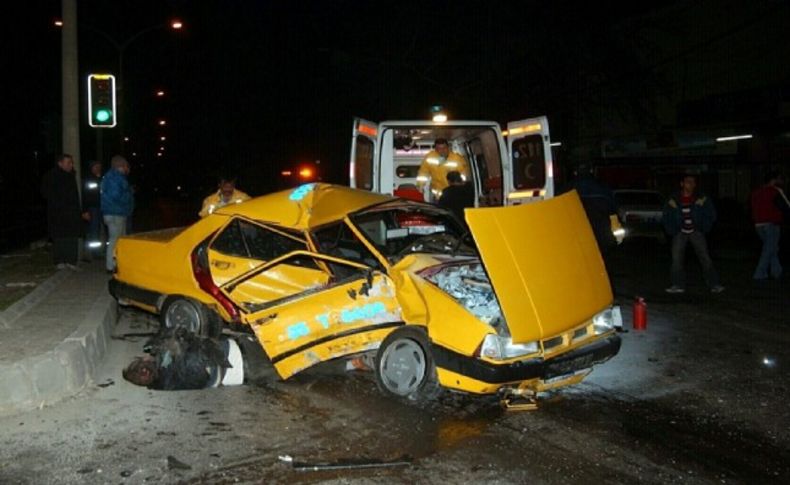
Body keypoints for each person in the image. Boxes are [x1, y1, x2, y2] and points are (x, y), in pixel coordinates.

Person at [564, 163, 624, 292]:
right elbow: (613, 213)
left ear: (575, 172)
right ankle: (605, 292)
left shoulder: (567, 189)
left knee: (580, 268)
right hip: (601, 235)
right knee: (603, 267)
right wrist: (617, 236)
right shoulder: (603, 188)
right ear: (592, 171)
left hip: (577, 237)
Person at [663, 174, 724, 294]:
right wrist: (672, 229)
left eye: (692, 182)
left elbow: (711, 214)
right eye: (687, 182)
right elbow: (666, 215)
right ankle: (677, 284)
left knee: (705, 258)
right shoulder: (674, 199)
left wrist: (704, 227)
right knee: (676, 259)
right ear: (682, 184)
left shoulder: (701, 198)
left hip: (696, 231)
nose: (690, 185)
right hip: (680, 231)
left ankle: (714, 284)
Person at [40, 154, 89, 269]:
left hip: (71, 212)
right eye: (68, 163)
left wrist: (80, 211)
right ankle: (60, 261)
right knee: (59, 237)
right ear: (60, 163)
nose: (71, 165)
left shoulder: (71, 176)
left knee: (72, 237)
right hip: (57, 212)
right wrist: (58, 201)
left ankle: (71, 261)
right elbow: (45, 192)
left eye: (71, 163)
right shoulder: (51, 175)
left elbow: (75, 196)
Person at [750, 171, 789, 281]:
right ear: (773, 180)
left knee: (771, 248)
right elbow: (785, 206)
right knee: (769, 249)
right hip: (771, 223)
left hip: (758, 224)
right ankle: (759, 273)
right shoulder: (775, 191)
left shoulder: (756, 192)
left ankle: (777, 271)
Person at [101, 155, 134, 273]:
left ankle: (116, 263)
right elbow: (116, 196)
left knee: (118, 239)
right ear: (120, 166)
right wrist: (128, 196)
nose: (126, 168)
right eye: (125, 165)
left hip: (115, 212)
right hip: (116, 213)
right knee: (115, 239)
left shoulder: (112, 177)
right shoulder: (116, 178)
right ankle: (110, 266)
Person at [82, 160, 104, 259]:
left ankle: (97, 252)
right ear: (92, 168)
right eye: (96, 167)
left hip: (100, 207)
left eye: (99, 166)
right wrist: (85, 210)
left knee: (98, 230)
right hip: (92, 208)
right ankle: (91, 253)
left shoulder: (100, 178)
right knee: (93, 230)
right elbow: (86, 195)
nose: (98, 169)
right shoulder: (89, 179)